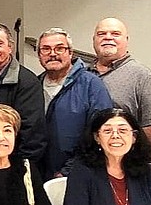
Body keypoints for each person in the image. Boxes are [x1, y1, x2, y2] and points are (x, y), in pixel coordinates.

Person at [63, 108, 151, 205]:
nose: (115, 136)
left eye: (122, 130)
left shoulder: (146, 172)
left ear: (134, 137)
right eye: (107, 131)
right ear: (97, 138)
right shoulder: (82, 172)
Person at [36, 27, 112, 177]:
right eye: (46, 49)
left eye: (59, 49)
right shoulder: (33, 85)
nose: (52, 54)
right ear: (39, 54)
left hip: (79, 174)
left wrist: (68, 171)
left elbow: (101, 135)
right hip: (39, 175)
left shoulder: (92, 85)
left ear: (70, 52)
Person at [87, 18, 151, 150]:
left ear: (126, 40)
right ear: (93, 40)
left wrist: (135, 158)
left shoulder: (143, 76)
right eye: (101, 34)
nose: (108, 38)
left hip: (126, 163)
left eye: (115, 34)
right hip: (87, 160)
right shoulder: (82, 74)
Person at [0, 23, 45, 168]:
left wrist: (18, 167)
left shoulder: (27, 81)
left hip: (12, 164)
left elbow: (32, 132)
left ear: (10, 47)